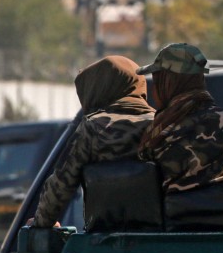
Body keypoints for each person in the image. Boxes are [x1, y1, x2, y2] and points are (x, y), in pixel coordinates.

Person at [137, 43, 223, 230]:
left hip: (175, 238)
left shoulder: (156, 132)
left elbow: (147, 195)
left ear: (167, 82)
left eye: (157, 78)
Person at [33, 55, 156, 228]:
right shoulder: (162, 123)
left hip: (102, 243)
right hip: (160, 241)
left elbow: (61, 184)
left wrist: (42, 223)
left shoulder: (92, 127)